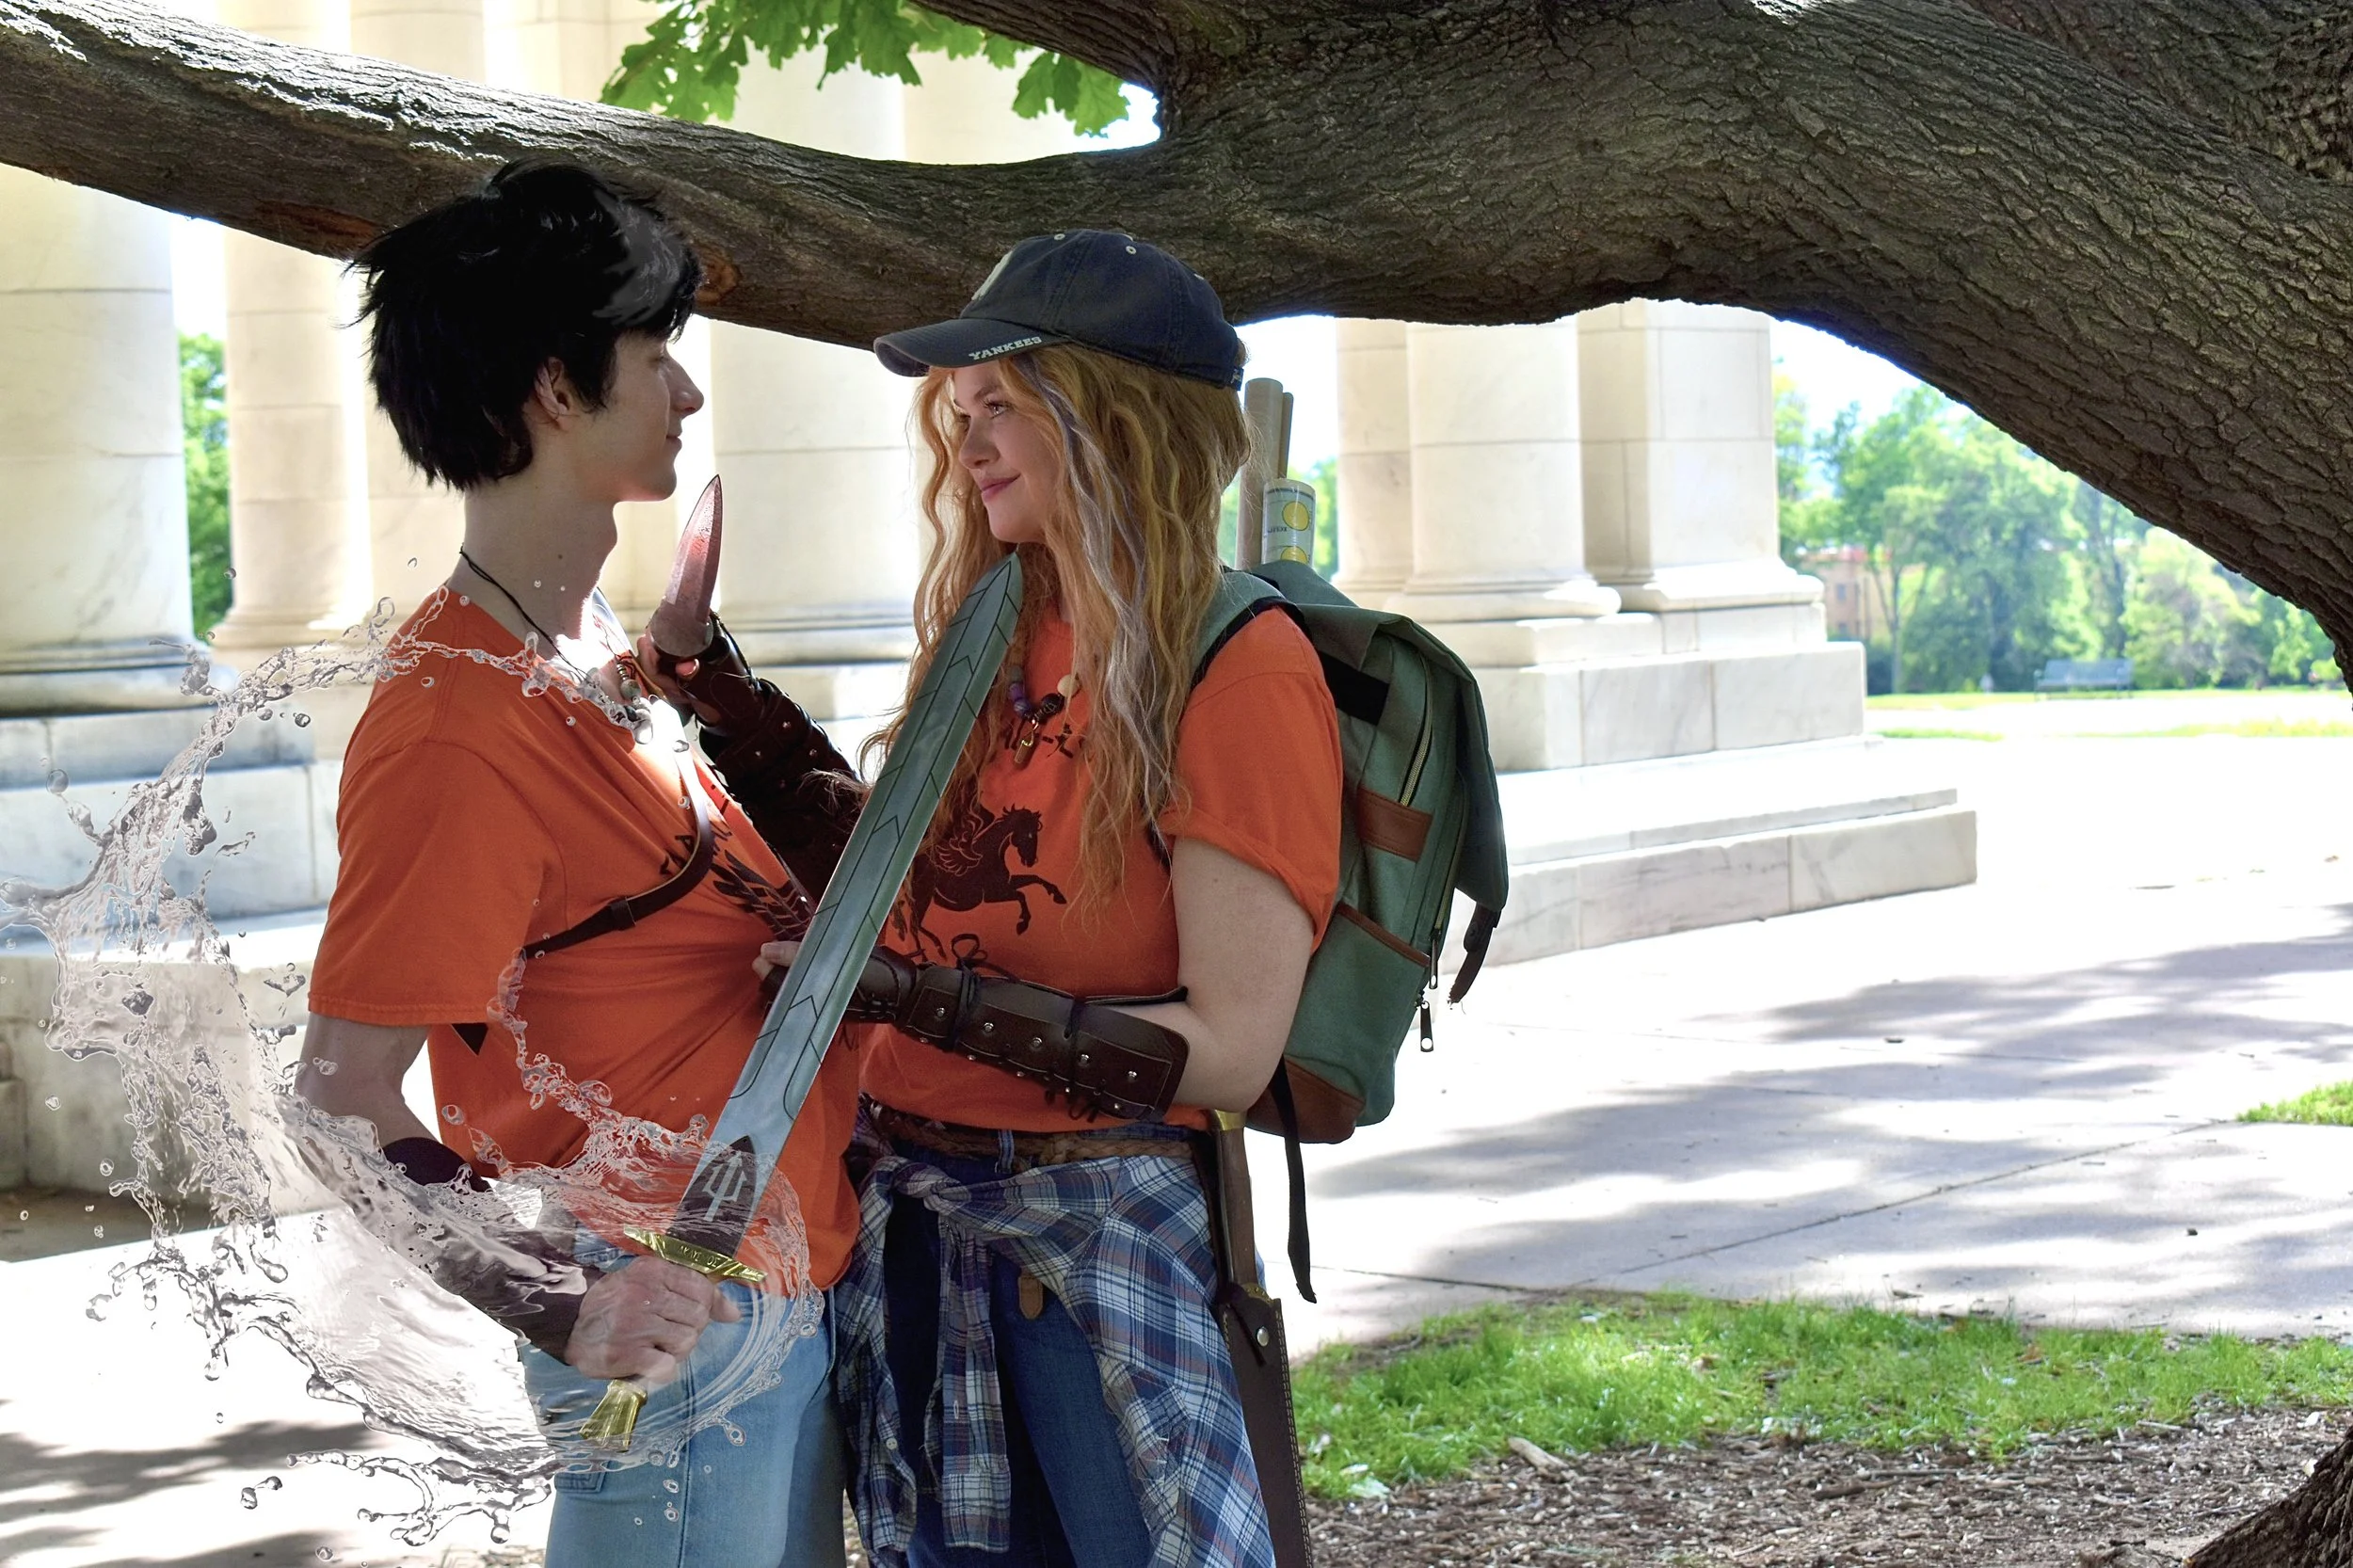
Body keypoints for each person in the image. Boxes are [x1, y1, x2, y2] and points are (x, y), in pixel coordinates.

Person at [295, 162, 865, 1567]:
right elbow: (336, 1095)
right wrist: (562, 1304)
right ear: (558, 387)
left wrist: (704, 680)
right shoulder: (456, 726)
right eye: (655, 353)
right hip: (661, 1338)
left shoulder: (588, 649)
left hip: (766, 1290)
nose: (687, 394)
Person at [792, 232, 1345, 1567]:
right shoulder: (993, 630)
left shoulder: (1238, 666)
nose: (969, 443)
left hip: (1096, 1243)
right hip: (916, 1223)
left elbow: (1228, 1046)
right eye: (960, 413)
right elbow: (898, 893)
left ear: (1114, 418)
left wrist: (920, 999)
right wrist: (726, 705)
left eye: (1005, 405)